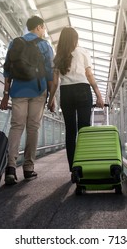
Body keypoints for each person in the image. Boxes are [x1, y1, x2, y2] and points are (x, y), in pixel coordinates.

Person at [0, 16, 54, 185]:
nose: (44, 31)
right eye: (43, 28)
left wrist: (5, 95)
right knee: (33, 128)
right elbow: (49, 73)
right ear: (38, 27)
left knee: (16, 126)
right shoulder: (45, 45)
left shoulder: (15, 42)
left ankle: (10, 167)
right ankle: (28, 168)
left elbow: (7, 70)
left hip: (18, 90)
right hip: (38, 90)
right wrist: (51, 97)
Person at [47, 27, 104, 171]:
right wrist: (98, 94)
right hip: (83, 90)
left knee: (70, 131)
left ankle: (73, 168)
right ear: (75, 39)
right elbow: (89, 75)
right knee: (84, 129)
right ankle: (84, 164)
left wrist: (51, 99)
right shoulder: (83, 52)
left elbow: (55, 82)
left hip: (66, 92)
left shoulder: (57, 57)